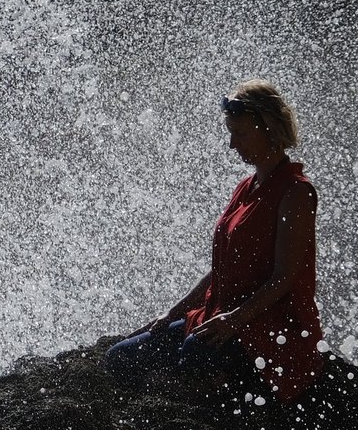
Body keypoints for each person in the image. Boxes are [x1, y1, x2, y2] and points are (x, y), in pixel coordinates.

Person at [106, 79, 326, 403]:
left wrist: (233, 320)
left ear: (268, 128)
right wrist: (173, 312)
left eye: (240, 133)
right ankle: (188, 393)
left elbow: (284, 277)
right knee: (121, 357)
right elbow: (222, 269)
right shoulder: (245, 188)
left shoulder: (295, 192)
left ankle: (205, 401)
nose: (232, 144)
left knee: (195, 353)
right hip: (217, 316)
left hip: (268, 330)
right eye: (231, 133)